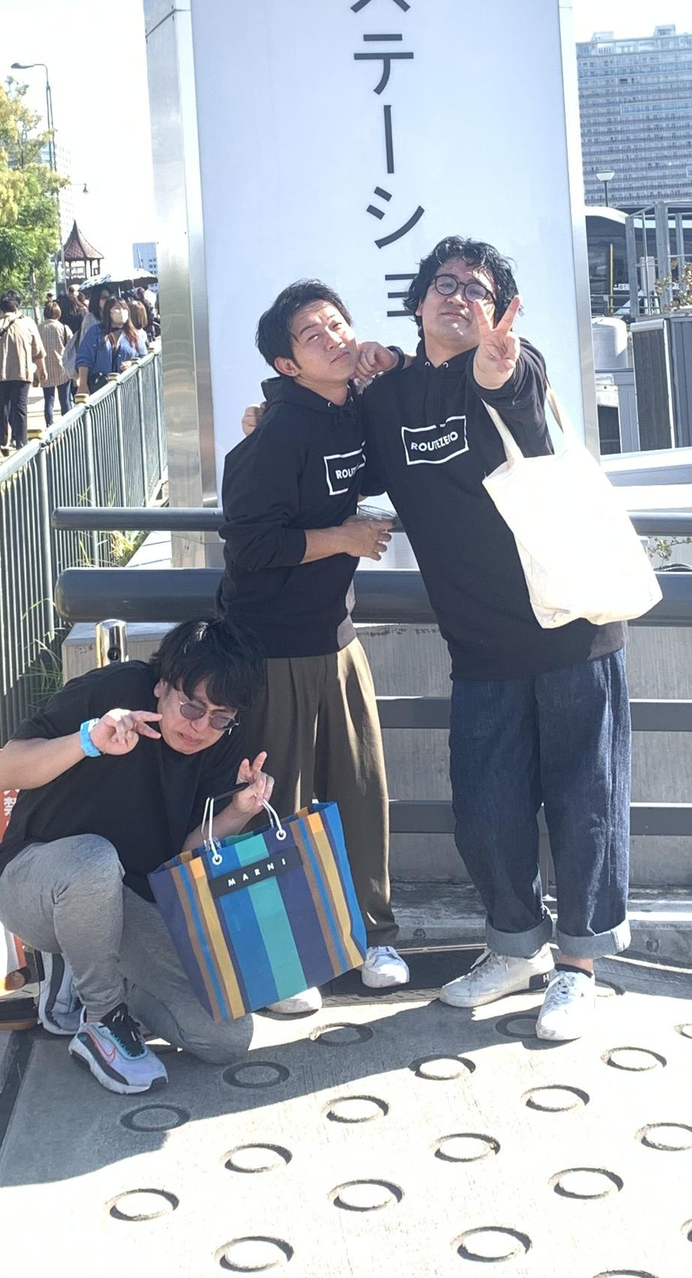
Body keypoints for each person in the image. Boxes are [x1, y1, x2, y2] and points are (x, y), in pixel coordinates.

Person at [358, 237, 630, 1043]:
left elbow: (509, 388)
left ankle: (578, 966)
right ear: (416, 304)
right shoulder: (389, 398)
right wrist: (271, 414)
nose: (458, 296)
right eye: (443, 284)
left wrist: (496, 363)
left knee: (584, 805)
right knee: (486, 812)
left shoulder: (515, 364)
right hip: (478, 647)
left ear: (499, 311)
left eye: (477, 289)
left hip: (571, 630)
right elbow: (340, 455)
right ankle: (515, 948)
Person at [0, 617, 271, 1093]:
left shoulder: (225, 740)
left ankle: (94, 970)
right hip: (35, 880)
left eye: (220, 716)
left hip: (127, 903)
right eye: (192, 706)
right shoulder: (114, 691)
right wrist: (88, 741)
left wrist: (239, 811)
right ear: (161, 685)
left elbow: (187, 854)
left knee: (226, 1037)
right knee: (95, 861)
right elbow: (4, 772)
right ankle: (103, 1018)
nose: (201, 726)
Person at [219, 280, 408, 1011]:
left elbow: (400, 449)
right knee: (276, 801)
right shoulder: (273, 438)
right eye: (312, 334)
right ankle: (282, 961)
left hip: (338, 638)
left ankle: (371, 935)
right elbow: (250, 548)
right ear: (287, 364)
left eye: (336, 323)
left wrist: (386, 366)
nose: (333, 338)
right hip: (272, 648)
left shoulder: (353, 409)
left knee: (360, 791)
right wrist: (344, 538)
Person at [0, 290, 44, 453]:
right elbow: (38, 351)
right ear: (17, 307)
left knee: (1, 408)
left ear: (1, 308)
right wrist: (42, 370)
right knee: (20, 408)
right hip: (22, 373)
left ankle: (3, 441)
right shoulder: (28, 323)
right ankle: (21, 442)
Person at [75, 295, 147, 396]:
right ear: (108, 312)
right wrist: (82, 385)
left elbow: (144, 357)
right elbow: (84, 359)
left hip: (128, 390)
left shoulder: (134, 335)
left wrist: (131, 364)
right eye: (117, 308)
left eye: (124, 309)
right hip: (100, 390)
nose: (122, 311)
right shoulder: (95, 332)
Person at [38, 296, 78, 425]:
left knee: (49, 400)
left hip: (44, 368)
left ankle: (49, 425)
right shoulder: (63, 328)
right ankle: (67, 425)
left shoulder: (39, 328)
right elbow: (71, 347)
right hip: (62, 368)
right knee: (65, 399)